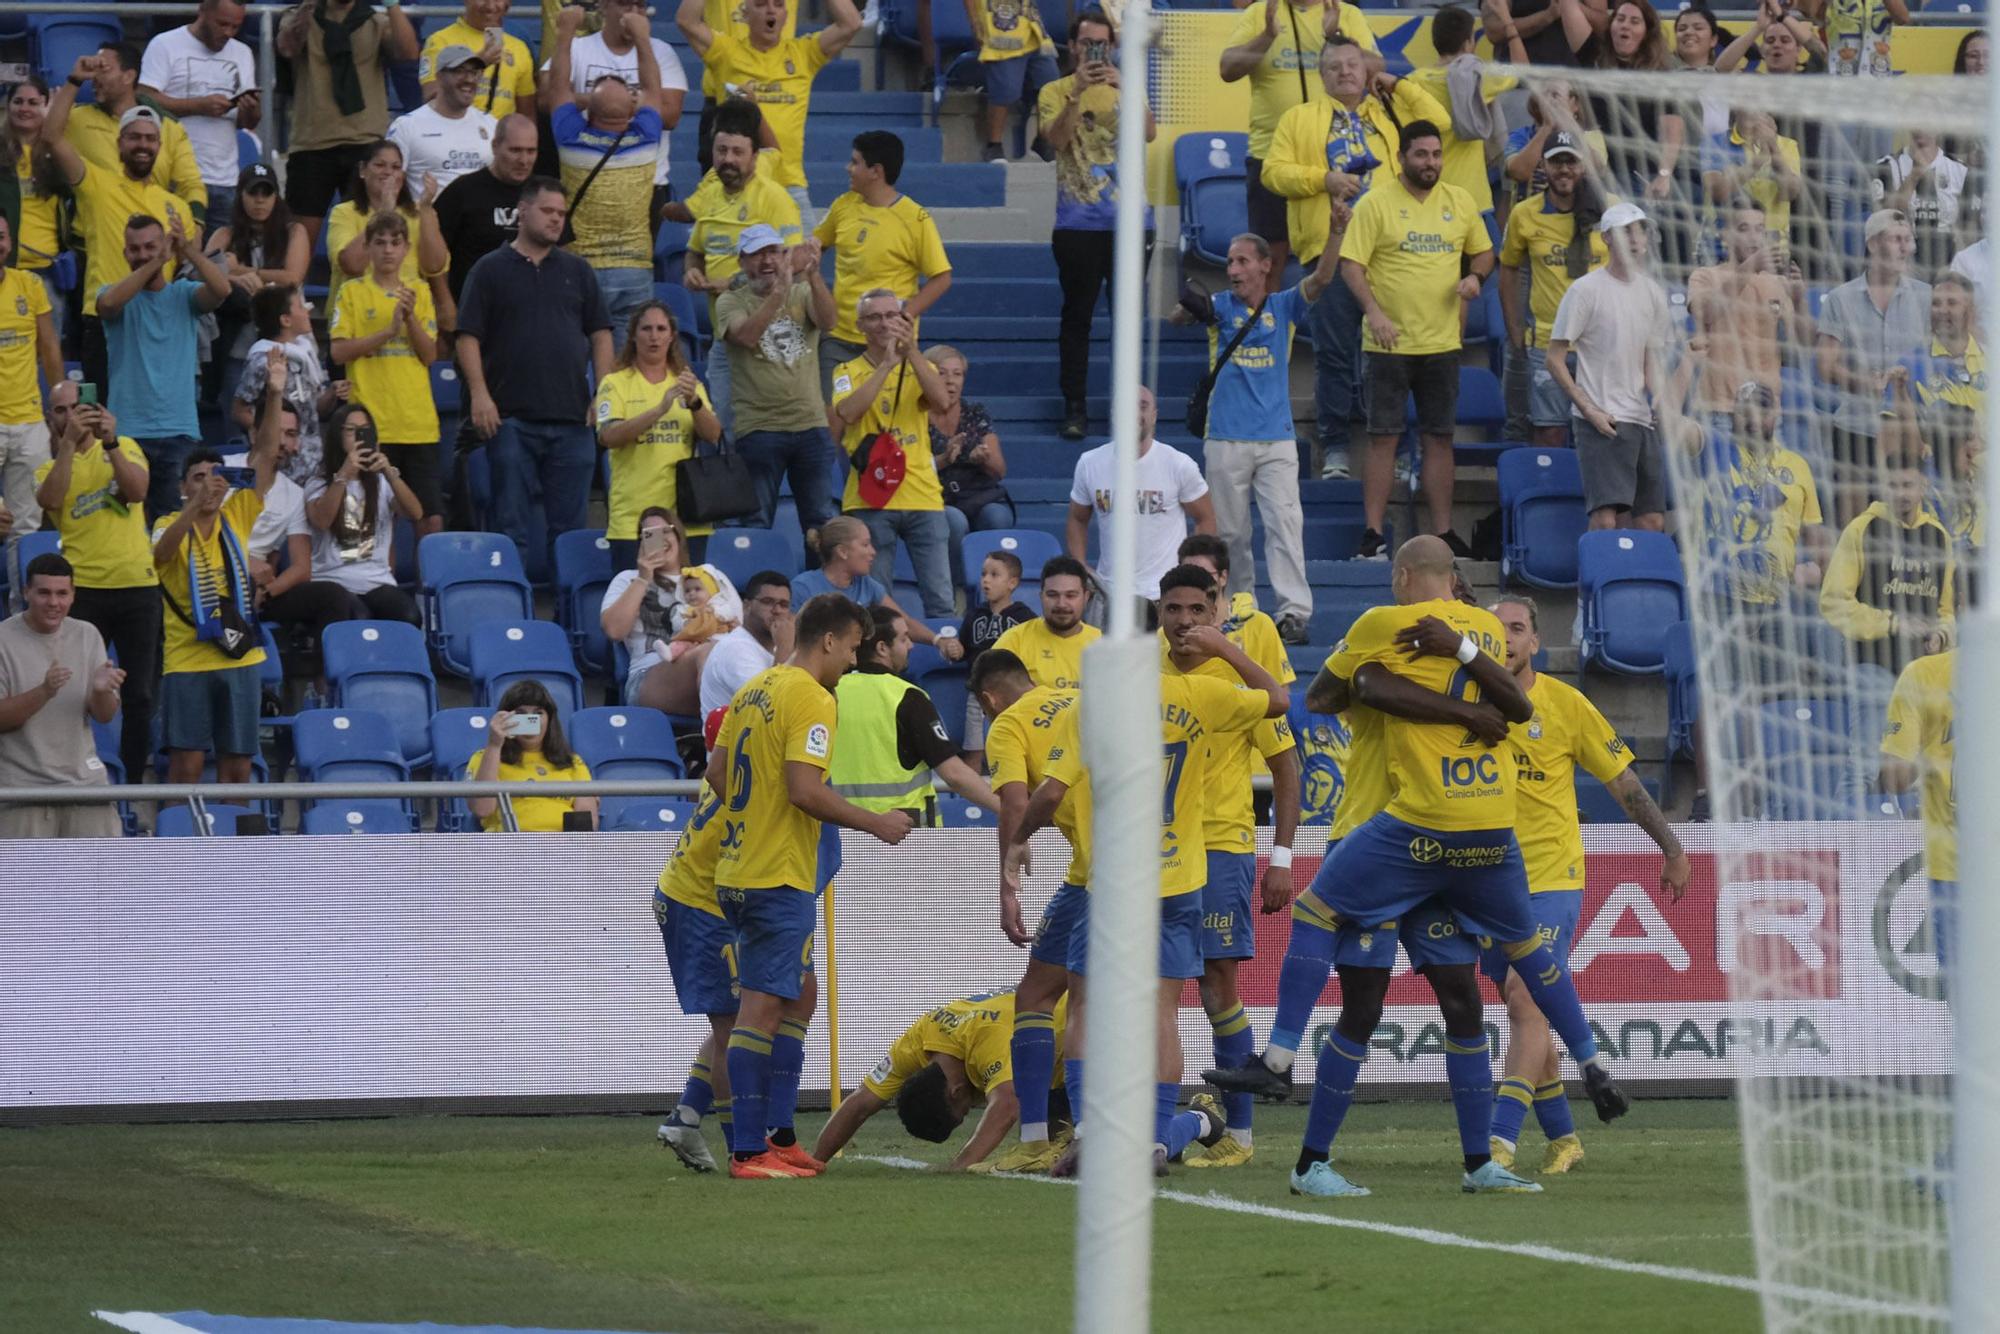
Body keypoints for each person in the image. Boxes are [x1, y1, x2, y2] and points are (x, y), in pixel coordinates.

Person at [1219, 537, 1625, 1197]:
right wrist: (1448, 697)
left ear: (1403, 577)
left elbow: (1337, 691)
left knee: (1463, 1003)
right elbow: (1349, 692)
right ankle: (1310, 1162)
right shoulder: (1455, 644)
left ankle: (1479, 1161)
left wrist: (1403, 683)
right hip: (1373, 835)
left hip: (1425, 842)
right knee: (1363, 1007)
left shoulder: (1392, 634)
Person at [1008, 570, 1283, 1178]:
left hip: (1112, 886)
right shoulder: (1200, 696)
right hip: (1178, 880)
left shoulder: (1093, 704)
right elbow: (1283, 700)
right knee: (1164, 1012)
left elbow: (1049, 793)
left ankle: (1086, 1134)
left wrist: (1016, 842)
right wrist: (1227, 649)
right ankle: (1157, 1141)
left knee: (1085, 1008)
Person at [709, 592, 914, 1178]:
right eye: (851, 648)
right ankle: (749, 1151)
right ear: (829, 640)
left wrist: (754, 820)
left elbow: (718, 773)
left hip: (742, 867)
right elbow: (804, 789)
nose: (852, 661)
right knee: (759, 1011)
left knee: (797, 995)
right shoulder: (813, 698)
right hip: (777, 875)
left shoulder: (754, 689)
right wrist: (875, 822)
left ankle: (777, 1135)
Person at [1481, 596, 1687, 1175]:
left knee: (1526, 995)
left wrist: (1671, 848)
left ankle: (1499, 1142)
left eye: (1518, 628)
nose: (1508, 637)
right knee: (1529, 1011)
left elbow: (1625, 784)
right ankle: (1564, 1140)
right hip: (1485, 882)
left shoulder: (1566, 705)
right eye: (1497, 630)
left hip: (1551, 877)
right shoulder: (1467, 703)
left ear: (1536, 642)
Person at [1158, 563, 1300, 1168]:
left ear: (1217, 609)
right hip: (1157, 851)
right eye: (1174, 609)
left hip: (1222, 845)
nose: (1186, 621)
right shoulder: (1142, 673)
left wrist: (1282, 858)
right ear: (1159, 612)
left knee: (1217, 984)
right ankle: (1158, 1117)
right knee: (1154, 988)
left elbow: (1288, 768)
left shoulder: (1239, 677)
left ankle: (1239, 1135)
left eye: (1198, 609)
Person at [1264, 39, 1446, 479]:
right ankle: (1337, 449)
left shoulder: (1387, 115)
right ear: (1322, 76)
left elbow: (1439, 122)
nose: (1345, 72)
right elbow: (1272, 173)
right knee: (1335, 356)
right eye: (1335, 67)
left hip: (1389, 256)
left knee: (1393, 358)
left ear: (1367, 72)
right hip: (1331, 252)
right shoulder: (1299, 118)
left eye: (1353, 65)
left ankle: (1399, 447)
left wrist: (1395, 84)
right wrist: (1322, 179)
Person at [1339, 121, 1493, 556]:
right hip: (1387, 344)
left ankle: (1442, 534)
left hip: (1442, 342)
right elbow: (1352, 265)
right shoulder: (1376, 203)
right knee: (1383, 437)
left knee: (1440, 437)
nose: (1431, 163)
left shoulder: (1459, 201)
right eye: (1422, 154)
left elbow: (1484, 252)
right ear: (1403, 157)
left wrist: (1475, 277)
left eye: (1436, 154)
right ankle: (1373, 534)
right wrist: (1374, 311)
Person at [1187, 233, 1341, 640]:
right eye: (1230, 264)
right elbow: (1178, 317)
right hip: (1224, 436)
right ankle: (1240, 608)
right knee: (1232, 533)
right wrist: (1190, 308)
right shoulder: (1219, 307)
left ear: (1264, 265)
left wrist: (1337, 232)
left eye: (1241, 262)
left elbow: (1323, 279)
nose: (1233, 270)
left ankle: (1293, 613)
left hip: (1276, 437)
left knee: (1284, 525)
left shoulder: (1284, 306)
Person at [458, 176, 614, 576]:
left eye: (561, 214)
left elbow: (600, 334)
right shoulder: (489, 269)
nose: (556, 220)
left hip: (573, 421)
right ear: (522, 211)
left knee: (570, 533)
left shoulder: (578, 270)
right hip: (511, 420)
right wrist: (479, 395)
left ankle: (568, 626)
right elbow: (467, 337)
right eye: (548, 211)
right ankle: (514, 613)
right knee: (511, 529)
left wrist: (605, 393)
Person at [966, 649, 1084, 1174]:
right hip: (1161, 860)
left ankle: (1055, 1138)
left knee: (1054, 998)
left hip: (1100, 871)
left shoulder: (1008, 724)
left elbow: (1016, 803)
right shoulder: (1080, 699)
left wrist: (1007, 884)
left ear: (989, 699)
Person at [43, 60, 196, 392]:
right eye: (134, 138)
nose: (143, 145)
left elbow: (189, 263)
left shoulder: (176, 207)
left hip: (157, 323)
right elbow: (51, 135)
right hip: (105, 319)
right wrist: (73, 81)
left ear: (159, 146)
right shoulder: (96, 184)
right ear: (120, 144)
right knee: (106, 423)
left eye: (150, 139)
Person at [34, 384, 158, 787]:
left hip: (136, 585)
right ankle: (76, 775)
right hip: (83, 590)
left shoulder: (125, 446)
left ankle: (133, 786)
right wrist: (68, 444)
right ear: (50, 417)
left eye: (77, 407)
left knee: (138, 696)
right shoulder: (49, 466)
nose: (70, 416)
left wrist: (112, 444)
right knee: (75, 692)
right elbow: (50, 500)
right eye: (60, 410)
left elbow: (138, 490)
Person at [1040, 8, 1155, 440]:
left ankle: (1128, 408)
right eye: (1088, 43)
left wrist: (1123, 86)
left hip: (1132, 220)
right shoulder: (1054, 90)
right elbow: (1055, 141)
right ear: (1072, 46)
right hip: (1077, 222)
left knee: (1127, 318)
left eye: (1103, 44)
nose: (1095, 51)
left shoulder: (1129, 84)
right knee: (1078, 317)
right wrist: (1077, 95)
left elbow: (1147, 132)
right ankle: (1075, 406)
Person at [811, 990, 1068, 1170]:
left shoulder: (987, 1043)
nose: (970, 1110)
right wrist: (816, 1161)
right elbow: (860, 1104)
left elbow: (1007, 1104)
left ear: (955, 1092)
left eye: (963, 1113)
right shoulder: (920, 1040)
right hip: (1058, 1042)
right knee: (1051, 1140)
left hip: (1089, 1025)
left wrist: (960, 1165)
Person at [1218, 0, 1381, 278]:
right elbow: (1228, 69)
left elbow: (1376, 68)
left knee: (1339, 251)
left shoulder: (1346, 13)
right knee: (1268, 259)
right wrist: (1267, 36)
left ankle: (1322, 319)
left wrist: (1334, 36)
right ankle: (1269, 321)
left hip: (1337, 158)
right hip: (1272, 156)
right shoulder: (1260, 12)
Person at [152, 439, 280, 786]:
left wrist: (275, 391)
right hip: (187, 661)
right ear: (182, 487)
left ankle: (237, 843)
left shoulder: (236, 515)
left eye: (216, 476)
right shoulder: (167, 523)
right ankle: (179, 840)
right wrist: (194, 506)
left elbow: (267, 455)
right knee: (185, 768)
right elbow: (162, 553)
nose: (208, 484)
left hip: (240, 658)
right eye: (198, 477)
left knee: (238, 767)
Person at [676, 0, 864, 225]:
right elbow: (686, 20)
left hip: (789, 185)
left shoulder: (803, 54)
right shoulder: (725, 52)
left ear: (786, 15)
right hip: (737, 188)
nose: (771, 10)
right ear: (744, 15)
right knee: (727, 260)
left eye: (778, 4)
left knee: (803, 260)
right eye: (761, 4)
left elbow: (851, 23)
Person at [1544, 201, 1672, 532]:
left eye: (1639, 230)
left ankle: (1640, 583)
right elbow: (1554, 358)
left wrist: (1659, 398)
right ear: (1606, 239)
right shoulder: (1585, 290)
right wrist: (1589, 410)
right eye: (1625, 231)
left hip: (1641, 419)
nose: (1634, 238)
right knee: (1604, 518)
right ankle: (1598, 584)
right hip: (1602, 417)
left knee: (1652, 519)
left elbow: (1650, 358)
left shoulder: (1654, 293)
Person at [830, 289, 956, 620]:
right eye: (874, 317)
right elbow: (848, 412)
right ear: (860, 326)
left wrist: (911, 351)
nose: (884, 323)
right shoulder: (846, 370)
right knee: (876, 603)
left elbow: (943, 403)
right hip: (871, 496)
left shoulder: (922, 365)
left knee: (941, 598)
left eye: (892, 315)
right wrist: (885, 365)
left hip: (922, 494)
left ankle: (943, 667)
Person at [98, 213, 233, 522]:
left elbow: (222, 290)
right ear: (125, 253)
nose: (143, 254)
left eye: (151, 247)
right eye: (135, 249)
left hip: (179, 433)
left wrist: (188, 250)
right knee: (122, 524)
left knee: (173, 527)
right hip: (127, 435)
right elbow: (106, 306)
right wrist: (157, 262)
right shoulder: (112, 294)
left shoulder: (183, 294)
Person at [682, 100, 805, 432]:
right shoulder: (709, 195)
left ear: (755, 157)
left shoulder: (775, 198)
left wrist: (734, 282)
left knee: (773, 436)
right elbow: (694, 250)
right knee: (727, 435)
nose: (728, 159)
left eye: (738, 152)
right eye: (722, 150)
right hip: (725, 341)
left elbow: (798, 260)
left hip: (772, 337)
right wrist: (691, 270)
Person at [547, 6, 665, 348]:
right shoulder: (645, 138)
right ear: (632, 111)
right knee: (629, 364)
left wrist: (566, 32)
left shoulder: (570, 139)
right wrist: (642, 38)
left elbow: (557, 90)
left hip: (580, 270)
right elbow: (654, 90)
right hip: (635, 271)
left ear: (587, 112)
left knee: (574, 358)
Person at [328, 210, 443, 537]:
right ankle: (372, 587)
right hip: (370, 423)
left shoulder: (419, 291)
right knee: (370, 519)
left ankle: (426, 589)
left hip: (417, 423)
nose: (388, 250)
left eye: (395, 242)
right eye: (380, 242)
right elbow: (337, 351)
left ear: (407, 248)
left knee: (429, 518)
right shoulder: (351, 292)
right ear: (368, 247)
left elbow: (430, 355)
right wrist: (388, 331)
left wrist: (409, 320)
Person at [717, 225, 835, 541]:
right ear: (742, 261)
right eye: (757, 254)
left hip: (811, 425)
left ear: (785, 256)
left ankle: (823, 590)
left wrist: (814, 276)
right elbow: (746, 336)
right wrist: (779, 292)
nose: (766, 261)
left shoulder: (804, 292)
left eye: (773, 252)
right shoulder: (730, 301)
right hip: (760, 429)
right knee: (754, 524)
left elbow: (829, 322)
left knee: (821, 526)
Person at [828, 606, 999, 824]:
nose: (911, 646)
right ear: (882, 648)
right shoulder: (907, 697)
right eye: (904, 639)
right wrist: (1008, 810)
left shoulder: (830, 693)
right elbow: (954, 774)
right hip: (903, 835)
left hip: (842, 832)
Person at [814, 132, 954, 396]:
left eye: (855, 162)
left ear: (875, 171)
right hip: (839, 337)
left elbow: (942, 277)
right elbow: (815, 245)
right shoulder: (843, 205)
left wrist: (904, 315)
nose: (848, 168)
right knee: (832, 417)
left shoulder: (915, 218)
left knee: (881, 423)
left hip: (886, 342)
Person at [1815, 209, 1932, 523]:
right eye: (1896, 239)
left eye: (1908, 240)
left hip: (1906, 429)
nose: (1905, 247)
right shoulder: (1841, 298)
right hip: (1855, 426)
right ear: (1872, 244)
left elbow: (1938, 361)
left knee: (1904, 525)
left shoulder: (1925, 296)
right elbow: (1825, 367)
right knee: (1853, 523)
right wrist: (1862, 382)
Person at [275, 0, 419, 248]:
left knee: (369, 235)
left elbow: (408, 53)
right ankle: (293, 287)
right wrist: (309, 7)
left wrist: (393, 5)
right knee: (299, 240)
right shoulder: (297, 15)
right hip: (312, 143)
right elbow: (287, 48)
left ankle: (367, 288)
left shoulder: (375, 20)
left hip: (365, 142)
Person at [0, 553, 124, 837]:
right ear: (26, 592)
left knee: (100, 880)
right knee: (24, 883)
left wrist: (101, 691)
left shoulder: (88, 634)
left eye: (61, 593)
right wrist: (45, 692)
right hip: (21, 791)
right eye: (43, 593)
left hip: (85, 786)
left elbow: (104, 715)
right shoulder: (3, 639)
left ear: (73, 595)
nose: (53, 603)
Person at [1496, 131, 1605, 447]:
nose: (1564, 169)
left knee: (1602, 431)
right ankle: (1550, 494)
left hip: (1599, 342)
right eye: (1557, 161)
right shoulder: (1524, 213)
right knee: (1548, 431)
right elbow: (1508, 269)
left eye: (1571, 161)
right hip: (1547, 341)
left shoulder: (1610, 209)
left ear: (1583, 166)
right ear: (1543, 165)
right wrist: (1515, 329)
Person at [594, 299, 721, 569]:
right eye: (647, 329)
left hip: (686, 518)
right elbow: (608, 436)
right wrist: (659, 409)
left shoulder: (688, 382)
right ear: (633, 335)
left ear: (672, 336)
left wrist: (695, 403)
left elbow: (713, 435)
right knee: (644, 598)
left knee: (687, 599)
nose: (654, 336)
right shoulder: (616, 383)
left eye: (661, 329)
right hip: (636, 518)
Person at [1820, 426, 1954, 677]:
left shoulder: (1939, 536)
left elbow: (1947, 610)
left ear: (1923, 486)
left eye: (1908, 484)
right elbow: (1833, 603)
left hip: (1922, 665)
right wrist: (1892, 623)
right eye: (1893, 485)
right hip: (1871, 665)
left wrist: (1941, 634)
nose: (1901, 493)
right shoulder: (1862, 528)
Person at [1065, 386, 1214, 602]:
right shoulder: (1090, 463)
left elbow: (1205, 517)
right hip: (1109, 592)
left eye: (1143, 407)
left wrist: (1190, 572)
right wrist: (1081, 566)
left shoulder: (1179, 464)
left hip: (1165, 592)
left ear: (1154, 416)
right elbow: (1077, 518)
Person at [546, 0, 688, 215]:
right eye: (625, 5)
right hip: (584, 176)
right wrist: (610, 101)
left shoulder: (662, 51)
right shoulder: (579, 48)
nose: (633, 14)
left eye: (640, 6)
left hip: (645, 182)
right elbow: (546, 99)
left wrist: (600, 102)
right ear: (603, 6)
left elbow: (670, 116)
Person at [298, 403, 424, 628]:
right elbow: (322, 520)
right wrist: (344, 475)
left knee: (409, 616)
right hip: (333, 581)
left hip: (377, 582)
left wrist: (390, 473)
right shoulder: (318, 483)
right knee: (358, 617)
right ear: (337, 437)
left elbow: (416, 513)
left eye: (364, 430)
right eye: (350, 430)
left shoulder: (382, 483)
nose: (358, 437)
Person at [1878, 647, 1957, 1000]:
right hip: (1955, 870)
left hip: (1957, 869)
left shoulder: (1925, 674)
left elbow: (1895, 777)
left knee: (1966, 1005)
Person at [1684, 200, 1806, 428]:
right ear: (1725, 235)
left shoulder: (1778, 282)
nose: (1754, 237)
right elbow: (1705, 313)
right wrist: (1751, 266)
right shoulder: (1705, 276)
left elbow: (1804, 343)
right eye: (1743, 229)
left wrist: (1800, 302)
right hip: (1717, 411)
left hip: (1766, 415)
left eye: (1760, 229)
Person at [139, 0, 258, 227]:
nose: (228, 33)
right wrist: (197, 106)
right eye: (222, 24)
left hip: (225, 177)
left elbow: (247, 123)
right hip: (175, 176)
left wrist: (251, 110)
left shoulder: (242, 53)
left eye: (236, 27)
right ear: (202, 11)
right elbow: (145, 98)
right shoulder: (165, 44)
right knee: (173, 256)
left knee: (218, 259)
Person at [55, 43, 206, 217]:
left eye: (103, 69)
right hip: (92, 237)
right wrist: (75, 79)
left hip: (149, 236)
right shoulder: (77, 118)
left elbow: (190, 184)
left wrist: (196, 224)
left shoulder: (169, 127)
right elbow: (49, 135)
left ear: (128, 76)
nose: (94, 78)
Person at [203, 163, 310, 406]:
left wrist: (240, 270)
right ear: (240, 196)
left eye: (266, 193)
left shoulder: (294, 232)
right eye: (253, 193)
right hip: (237, 345)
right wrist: (231, 278)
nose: (259, 201)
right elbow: (200, 274)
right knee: (237, 421)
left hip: (286, 346)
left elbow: (293, 278)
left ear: (276, 197)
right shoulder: (225, 234)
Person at [232, 283, 340, 490]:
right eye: (300, 306)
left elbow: (313, 411)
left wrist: (332, 393)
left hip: (313, 462)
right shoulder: (263, 360)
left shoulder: (306, 357)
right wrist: (275, 438)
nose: (307, 309)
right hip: (282, 465)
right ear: (285, 320)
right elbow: (239, 410)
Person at [788, 515, 950, 651]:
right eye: (865, 545)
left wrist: (938, 641)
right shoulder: (803, 588)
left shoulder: (866, 584)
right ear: (842, 552)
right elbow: (791, 641)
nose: (872, 552)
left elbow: (903, 621)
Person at [0, 212, 60, 579]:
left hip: (29, 421)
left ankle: (23, 612)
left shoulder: (30, 285)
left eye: (2, 236)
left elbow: (50, 349)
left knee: (26, 526)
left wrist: (56, 411)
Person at [324, 139, 447, 314]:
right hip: (357, 315)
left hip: (409, 314)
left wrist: (426, 209)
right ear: (362, 170)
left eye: (396, 167)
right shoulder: (343, 213)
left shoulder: (421, 212)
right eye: (380, 165)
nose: (388, 172)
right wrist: (383, 212)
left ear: (402, 176)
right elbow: (351, 265)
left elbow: (434, 266)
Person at [926, 345, 1014, 590]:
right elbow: (908, 469)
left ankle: (994, 590)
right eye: (942, 373)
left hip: (977, 495)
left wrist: (982, 458)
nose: (950, 381)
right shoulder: (915, 414)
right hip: (934, 498)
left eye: (957, 374)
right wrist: (943, 459)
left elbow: (1000, 471)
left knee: (996, 516)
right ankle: (957, 592)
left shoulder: (975, 412)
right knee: (953, 521)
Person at [432, 113, 538, 316]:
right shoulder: (463, 191)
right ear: (495, 146)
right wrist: (444, 305)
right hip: (472, 313)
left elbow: (560, 253)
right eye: (515, 150)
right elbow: (435, 258)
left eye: (531, 151)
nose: (524, 160)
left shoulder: (544, 193)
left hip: (530, 316)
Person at [465, 679, 596, 831]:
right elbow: (482, 809)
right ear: (506, 719)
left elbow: (587, 819)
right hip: (508, 847)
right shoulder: (484, 757)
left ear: (550, 719)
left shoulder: (572, 761)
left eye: (538, 713)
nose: (530, 721)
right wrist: (494, 744)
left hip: (562, 849)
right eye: (521, 714)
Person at [954, 551, 1033, 768]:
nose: (986, 580)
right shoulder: (974, 615)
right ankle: (970, 799)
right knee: (974, 749)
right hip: (979, 693)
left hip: (1013, 693)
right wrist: (955, 648)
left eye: (994, 575)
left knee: (1016, 748)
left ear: (1012, 583)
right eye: (983, 574)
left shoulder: (1024, 617)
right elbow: (963, 647)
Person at [601, 507, 689, 702]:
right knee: (705, 657)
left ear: (678, 536)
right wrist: (644, 578)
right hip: (647, 675)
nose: (661, 540)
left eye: (666, 531)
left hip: (706, 671)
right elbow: (614, 631)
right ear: (641, 543)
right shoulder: (627, 579)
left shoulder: (705, 577)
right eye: (650, 535)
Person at [388, 45, 497, 195]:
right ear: (439, 77)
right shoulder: (407, 126)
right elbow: (389, 183)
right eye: (459, 71)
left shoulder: (491, 124)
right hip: (428, 216)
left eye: (474, 72)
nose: (469, 79)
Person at [6, 78, 66, 337]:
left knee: (49, 352)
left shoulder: (59, 153)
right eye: (18, 101)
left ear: (46, 106)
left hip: (47, 271)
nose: (24, 108)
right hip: (6, 268)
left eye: (33, 102)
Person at [1702, 110, 1803, 253]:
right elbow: (1718, 192)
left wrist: (1773, 148)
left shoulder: (1787, 145)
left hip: (1772, 248)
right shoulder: (1715, 142)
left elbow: (1790, 193)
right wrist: (1757, 162)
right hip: (1722, 248)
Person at [992, 556, 1099, 691]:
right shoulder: (1014, 641)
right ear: (1041, 596)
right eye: (1052, 595)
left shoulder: (1103, 645)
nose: (1061, 604)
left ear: (1086, 597)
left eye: (1071, 595)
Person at [418, 0, 536, 119]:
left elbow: (527, 113)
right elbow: (431, 96)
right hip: (454, 131)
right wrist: (479, 63)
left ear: (508, 3)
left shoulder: (518, 47)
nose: (490, 6)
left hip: (501, 135)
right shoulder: (440, 41)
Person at [700, 571, 795, 718]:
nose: (777, 610)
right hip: (732, 739)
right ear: (746, 606)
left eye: (784, 605)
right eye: (768, 602)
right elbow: (769, 706)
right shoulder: (736, 648)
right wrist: (785, 648)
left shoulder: (778, 646)